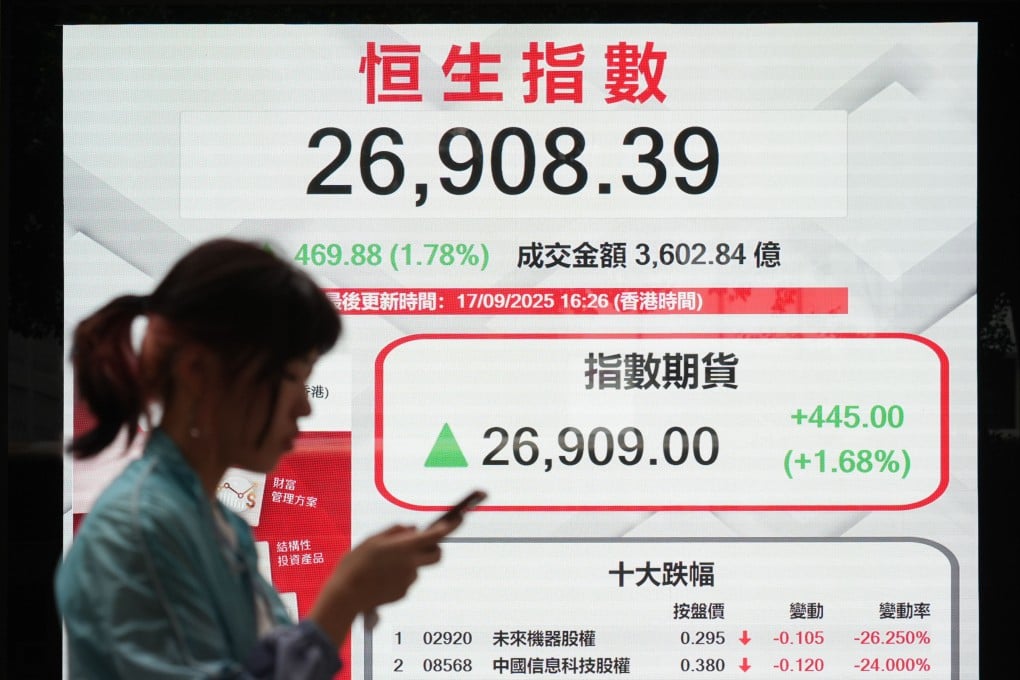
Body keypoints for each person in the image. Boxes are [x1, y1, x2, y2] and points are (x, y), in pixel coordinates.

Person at [55, 238, 458, 678]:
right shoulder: (139, 534)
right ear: (198, 372)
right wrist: (344, 597)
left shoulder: (213, 524)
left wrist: (353, 593)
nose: (304, 407)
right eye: (290, 377)